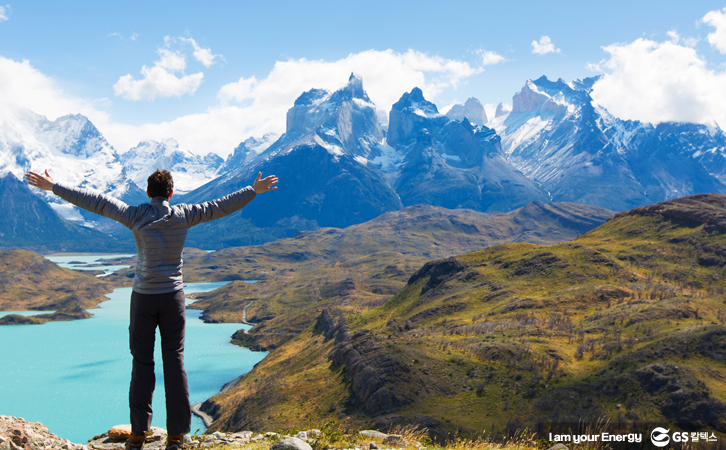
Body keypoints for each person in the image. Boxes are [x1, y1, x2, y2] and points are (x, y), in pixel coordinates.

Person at [24, 168, 278, 450]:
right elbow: (220, 206)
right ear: (171, 193)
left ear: (147, 193)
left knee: (142, 363)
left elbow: (96, 201)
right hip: (173, 297)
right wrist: (253, 190)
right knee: (175, 362)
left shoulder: (135, 215)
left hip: (143, 298)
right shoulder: (184, 214)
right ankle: (177, 435)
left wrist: (55, 186)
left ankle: (137, 434)